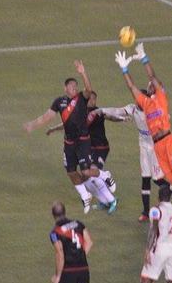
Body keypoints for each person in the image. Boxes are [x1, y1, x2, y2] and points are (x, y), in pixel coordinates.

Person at [114, 43, 172, 216]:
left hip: (168, 140)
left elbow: (152, 75)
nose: (150, 84)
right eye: (150, 84)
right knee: (169, 178)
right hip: (157, 145)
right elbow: (132, 87)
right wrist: (124, 69)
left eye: (153, 84)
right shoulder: (145, 103)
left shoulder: (161, 98)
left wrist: (144, 58)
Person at [23, 60, 115, 214]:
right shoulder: (59, 102)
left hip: (83, 141)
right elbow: (46, 117)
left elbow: (89, 89)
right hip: (69, 143)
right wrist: (32, 125)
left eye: (76, 86)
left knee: (86, 172)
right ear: (65, 88)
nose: (74, 88)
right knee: (71, 172)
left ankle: (105, 175)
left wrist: (83, 72)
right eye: (71, 86)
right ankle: (85, 196)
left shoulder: (81, 98)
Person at [93, 100, 172, 222]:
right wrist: (102, 110)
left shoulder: (152, 111)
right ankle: (145, 212)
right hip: (144, 148)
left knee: (157, 179)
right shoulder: (133, 108)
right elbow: (118, 111)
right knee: (145, 178)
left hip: (155, 148)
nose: (137, 102)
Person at [48, 91, 119, 213]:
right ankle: (104, 201)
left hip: (100, 148)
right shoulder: (81, 112)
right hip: (88, 148)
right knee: (85, 177)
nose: (91, 102)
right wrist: (54, 129)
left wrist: (121, 118)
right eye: (89, 99)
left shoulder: (95, 113)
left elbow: (109, 116)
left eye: (93, 100)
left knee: (92, 174)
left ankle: (112, 200)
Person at [50, 201, 93, 283]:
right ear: (65, 212)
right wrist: (79, 256)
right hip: (83, 269)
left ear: (53, 215)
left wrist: (58, 276)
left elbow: (60, 254)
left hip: (67, 270)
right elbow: (89, 242)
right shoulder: (78, 224)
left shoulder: (55, 232)